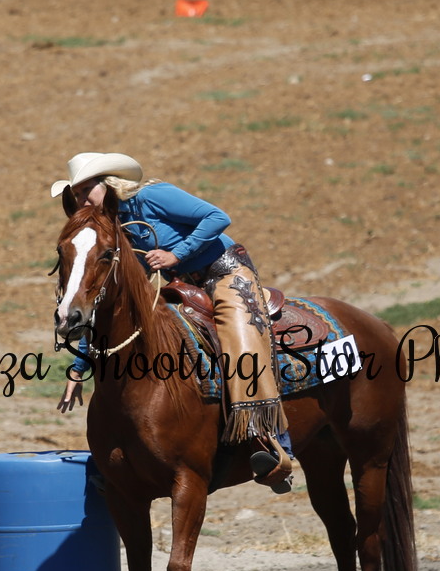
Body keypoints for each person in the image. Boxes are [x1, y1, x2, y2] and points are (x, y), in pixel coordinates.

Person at [51, 151, 293, 492]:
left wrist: (175, 254)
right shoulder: (108, 230)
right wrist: (80, 366)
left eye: (86, 189)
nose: (82, 199)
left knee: (242, 341)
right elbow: (101, 303)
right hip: (180, 285)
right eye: (76, 194)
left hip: (225, 272)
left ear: (108, 184)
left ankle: (270, 442)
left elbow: (217, 217)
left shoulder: (150, 196)